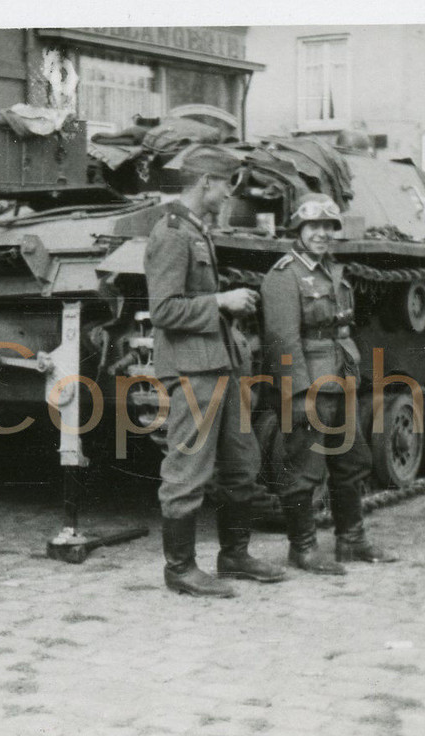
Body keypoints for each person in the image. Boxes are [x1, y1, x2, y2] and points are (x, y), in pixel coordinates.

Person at [145, 144, 286, 598]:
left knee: (241, 465)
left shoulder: (195, 230)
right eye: (226, 184)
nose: (229, 194)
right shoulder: (170, 233)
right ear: (206, 181)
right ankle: (180, 568)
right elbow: (163, 310)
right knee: (188, 468)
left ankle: (234, 554)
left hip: (221, 366)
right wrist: (220, 302)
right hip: (191, 371)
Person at [260, 193, 395, 570]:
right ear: (299, 229)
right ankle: (302, 547)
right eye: (313, 226)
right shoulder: (284, 275)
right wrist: (299, 393)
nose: (321, 233)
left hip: (341, 377)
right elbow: (281, 340)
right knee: (304, 466)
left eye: (327, 227)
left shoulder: (332, 271)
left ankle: (351, 540)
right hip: (311, 384)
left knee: (351, 461)